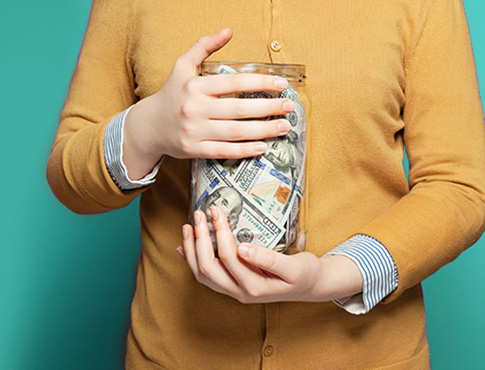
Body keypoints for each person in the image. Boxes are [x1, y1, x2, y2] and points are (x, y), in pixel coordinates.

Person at [46, 0, 485, 369]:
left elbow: (460, 184)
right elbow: (68, 179)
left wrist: (333, 276)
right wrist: (148, 129)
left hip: (369, 356)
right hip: (175, 354)